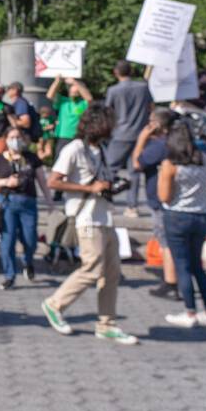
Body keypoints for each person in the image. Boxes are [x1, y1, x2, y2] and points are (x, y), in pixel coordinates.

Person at [41, 103, 138, 345]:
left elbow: (98, 179)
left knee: (112, 273)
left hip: (104, 216)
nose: (113, 128)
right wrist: (89, 188)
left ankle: (107, 323)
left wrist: (111, 185)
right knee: (92, 269)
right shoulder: (74, 149)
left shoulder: (100, 149)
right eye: (109, 123)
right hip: (85, 218)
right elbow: (54, 181)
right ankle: (55, 304)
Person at [157, 121, 206, 327]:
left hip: (177, 216)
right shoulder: (205, 160)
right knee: (197, 266)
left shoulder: (170, 164)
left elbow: (164, 196)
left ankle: (190, 312)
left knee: (182, 265)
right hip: (201, 215)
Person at [0, 127, 52, 289]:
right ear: (6, 139)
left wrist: (49, 199)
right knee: (7, 241)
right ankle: (9, 275)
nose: (15, 140)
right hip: (7, 203)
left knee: (30, 240)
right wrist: (5, 182)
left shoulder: (31, 158)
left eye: (18, 137)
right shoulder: (0, 159)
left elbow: (42, 179)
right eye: (12, 137)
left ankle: (28, 262)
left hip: (28, 203)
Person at [133, 108, 180, 299]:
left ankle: (171, 283)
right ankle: (180, 280)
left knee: (166, 243)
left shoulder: (160, 145)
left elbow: (137, 163)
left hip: (162, 199)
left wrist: (142, 139)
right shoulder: (180, 141)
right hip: (180, 200)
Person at [105, 60, 153, 217]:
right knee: (134, 171)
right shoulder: (143, 88)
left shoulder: (113, 90)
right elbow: (151, 107)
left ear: (116, 73)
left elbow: (108, 111)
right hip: (140, 134)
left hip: (120, 134)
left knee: (110, 168)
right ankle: (132, 206)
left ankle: (107, 201)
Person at [46, 75, 93, 164]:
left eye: (77, 91)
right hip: (63, 136)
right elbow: (49, 95)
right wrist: (57, 81)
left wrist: (75, 82)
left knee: (78, 162)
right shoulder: (64, 101)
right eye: (72, 91)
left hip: (78, 137)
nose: (74, 93)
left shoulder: (83, 103)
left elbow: (89, 98)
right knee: (60, 162)